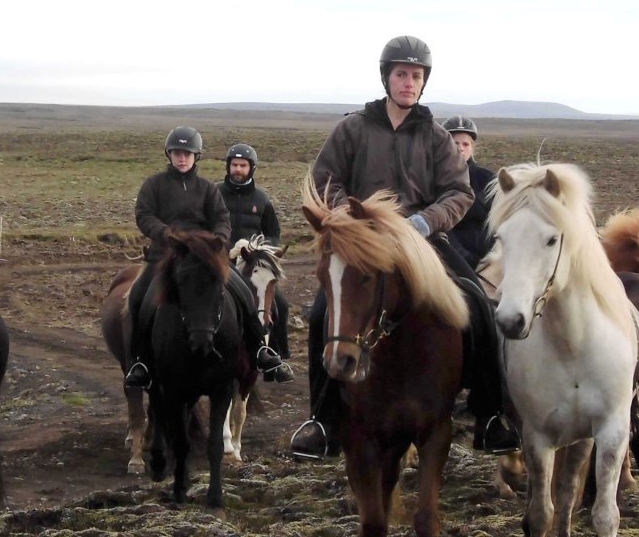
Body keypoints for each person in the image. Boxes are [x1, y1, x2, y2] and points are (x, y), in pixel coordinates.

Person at [290, 36, 521, 459]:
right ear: (386, 78)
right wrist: (353, 218)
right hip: (361, 243)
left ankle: (490, 416)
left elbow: (459, 193)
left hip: (422, 242)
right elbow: (326, 178)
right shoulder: (353, 128)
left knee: (477, 303)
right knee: (324, 310)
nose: (408, 82)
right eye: (401, 74)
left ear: (423, 82)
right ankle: (323, 420)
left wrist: (422, 221)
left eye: (416, 76)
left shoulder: (435, 136)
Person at [123, 126, 292, 391]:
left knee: (244, 292)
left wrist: (219, 241)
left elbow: (222, 219)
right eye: (178, 153)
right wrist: (166, 233)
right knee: (138, 299)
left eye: (188, 154)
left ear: (196, 157)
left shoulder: (207, 189)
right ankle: (140, 362)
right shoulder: (153, 185)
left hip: (204, 258)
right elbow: (144, 215)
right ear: (169, 155)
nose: (182, 158)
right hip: (163, 256)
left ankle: (260, 349)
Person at [219, 142, 290, 363]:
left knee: (281, 305)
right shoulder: (214, 193)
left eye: (242, 165)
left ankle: (275, 358)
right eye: (234, 165)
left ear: (252, 168)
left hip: (252, 265)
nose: (237, 169)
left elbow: (273, 232)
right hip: (221, 262)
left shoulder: (262, 199)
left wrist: (260, 249)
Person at [443, 115, 496, 268]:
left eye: (466, 144)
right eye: (455, 143)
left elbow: (498, 222)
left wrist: (489, 257)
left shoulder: (488, 179)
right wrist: (464, 258)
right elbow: (441, 226)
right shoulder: (434, 180)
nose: (460, 148)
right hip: (450, 260)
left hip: (489, 260)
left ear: (472, 147)